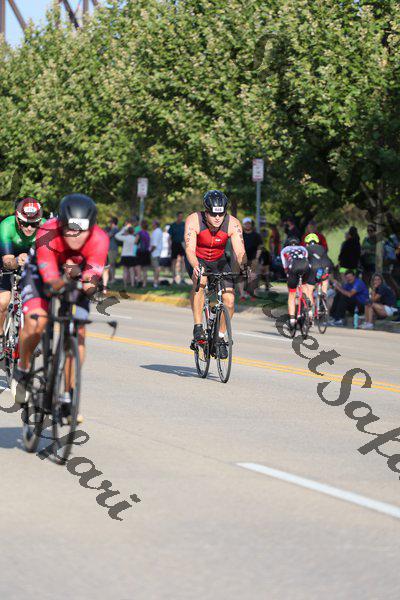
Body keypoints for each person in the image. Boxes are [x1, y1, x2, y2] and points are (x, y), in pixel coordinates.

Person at [13, 194, 109, 413]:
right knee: (36, 322)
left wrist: (90, 288)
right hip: (43, 273)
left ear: (91, 227)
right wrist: (67, 280)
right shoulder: (47, 232)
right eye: (70, 228)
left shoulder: (100, 238)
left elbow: (91, 279)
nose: (75, 235)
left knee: (79, 331)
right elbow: (51, 282)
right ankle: (23, 369)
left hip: (76, 272)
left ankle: (67, 392)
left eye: (81, 229)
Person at [184, 190, 247, 358]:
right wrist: (196, 266)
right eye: (213, 214)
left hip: (219, 261)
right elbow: (189, 249)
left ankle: (219, 337)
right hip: (197, 258)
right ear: (206, 212)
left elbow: (240, 251)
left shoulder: (233, 224)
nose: (217, 218)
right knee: (201, 281)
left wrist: (244, 266)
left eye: (221, 214)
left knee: (229, 299)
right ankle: (198, 327)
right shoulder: (194, 220)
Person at [0, 197, 43, 356]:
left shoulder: (46, 228)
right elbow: (7, 262)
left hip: (31, 261)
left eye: (34, 224)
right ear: (17, 219)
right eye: (25, 223)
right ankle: (0, 338)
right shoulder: (7, 226)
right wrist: (17, 261)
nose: (29, 228)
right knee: (3, 302)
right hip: (7, 257)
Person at [280, 237, 312, 330]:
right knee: (304, 285)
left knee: (292, 294)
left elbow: (285, 266)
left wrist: (288, 276)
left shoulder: (284, 250)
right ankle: (309, 307)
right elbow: (306, 258)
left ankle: (292, 320)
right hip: (306, 267)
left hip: (294, 267)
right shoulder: (303, 249)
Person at [303, 233, 333, 301]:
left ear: (307, 243)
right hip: (326, 267)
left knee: (309, 288)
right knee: (324, 281)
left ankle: (310, 306)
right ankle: (324, 297)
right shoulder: (322, 248)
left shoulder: (306, 249)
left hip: (315, 268)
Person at [238, 217, 262, 301]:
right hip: (242, 258)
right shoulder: (240, 235)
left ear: (251, 225)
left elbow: (259, 247)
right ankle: (242, 295)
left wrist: (257, 258)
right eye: (246, 224)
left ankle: (253, 294)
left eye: (249, 223)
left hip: (253, 258)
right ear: (243, 225)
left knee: (253, 276)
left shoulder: (256, 235)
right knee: (241, 276)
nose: (247, 225)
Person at [115, 223, 137, 287]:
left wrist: (123, 229)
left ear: (127, 231)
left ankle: (125, 284)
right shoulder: (134, 238)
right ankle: (132, 284)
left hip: (124, 255)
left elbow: (116, 235)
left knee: (125, 270)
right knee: (131, 271)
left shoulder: (125, 238)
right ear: (133, 232)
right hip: (131, 256)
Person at [169, 212, 185, 284]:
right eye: (180, 216)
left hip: (182, 244)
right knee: (174, 262)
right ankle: (173, 279)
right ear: (177, 217)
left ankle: (182, 278)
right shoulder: (173, 225)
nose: (181, 218)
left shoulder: (184, 224)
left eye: (182, 216)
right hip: (174, 244)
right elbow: (169, 237)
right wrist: (169, 247)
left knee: (183, 261)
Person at [103, 217, 119, 289]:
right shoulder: (113, 229)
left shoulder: (115, 229)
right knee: (110, 264)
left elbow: (108, 236)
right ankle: (111, 278)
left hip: (112, 249)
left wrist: (104, 233)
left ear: (113, 222)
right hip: (111, 249)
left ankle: (113, 279)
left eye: (110, 222)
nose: (109, 224)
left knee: (112, 264)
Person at [135, 220, 151, 288]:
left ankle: (139, 282)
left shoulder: (139, 233)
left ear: (141, 226)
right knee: (145, 270)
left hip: (140, 252)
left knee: (138, 268)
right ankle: (144, 284)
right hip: (146, 252)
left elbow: (135, 241)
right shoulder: (148, 234)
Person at [150, 220, 163, 288]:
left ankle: (155, 283)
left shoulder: (156, 232)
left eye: (152, 223)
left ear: (155, 224)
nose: (152, 225)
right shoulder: (159, 231)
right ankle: (156, 282)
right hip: (158, 252)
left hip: (155, 253)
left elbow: (154, 245)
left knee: (156, 269)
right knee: (157, 268)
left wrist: (150, 251)